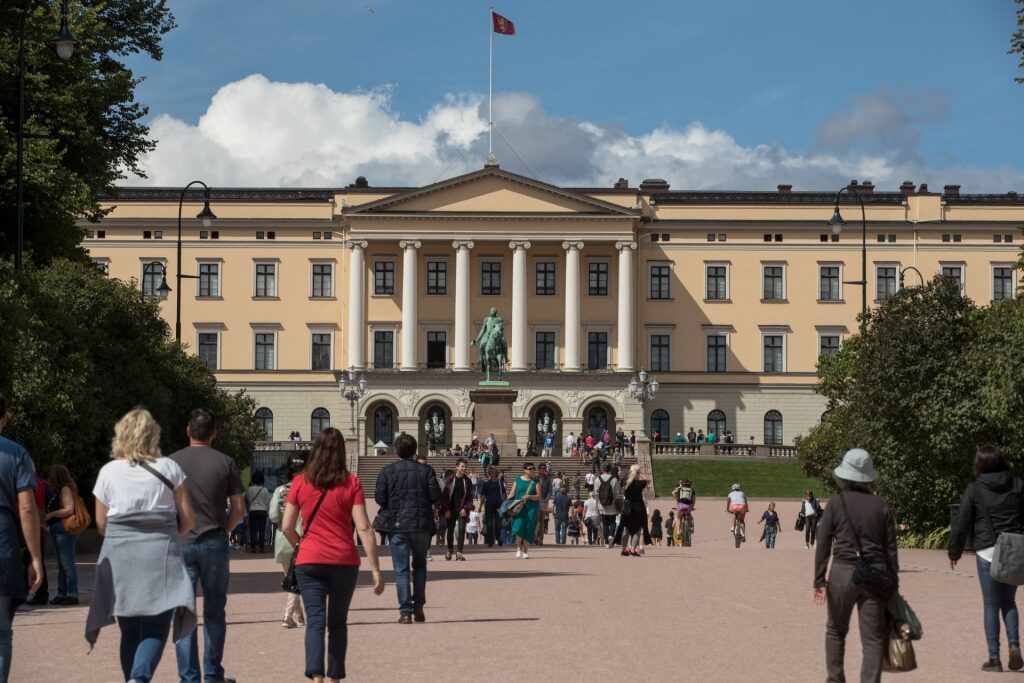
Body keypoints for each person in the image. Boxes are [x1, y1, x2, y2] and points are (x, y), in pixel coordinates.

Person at [86, 408, 197, 683]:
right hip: (159, 553)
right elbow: (189, 519)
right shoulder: (169, 468)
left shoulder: (108, 472)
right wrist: (170, 533)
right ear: (153, 435)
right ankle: (139, 677)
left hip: (121, 555)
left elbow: (101, 524)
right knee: (157, 627)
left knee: (130, 631)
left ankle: (133, 679)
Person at [281, 428, 384, 683]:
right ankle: (335, 678)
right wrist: (375, 570)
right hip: (343, 561)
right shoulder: (352, 483)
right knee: (337, 622)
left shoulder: (300, 482)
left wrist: (300, 545)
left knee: (315, 622)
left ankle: (317, 677)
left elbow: (286, 526)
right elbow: (363, 528)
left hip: (309, 560)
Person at [168, 408, 246, 683]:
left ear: (188, 431)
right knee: (214, 611)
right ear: (214, 434)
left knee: (182, 612)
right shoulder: (226, 462)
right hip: (213, 541)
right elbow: (238, 508)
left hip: (180, 542)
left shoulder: (171, 463)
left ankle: (188, 678)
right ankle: (213, 674)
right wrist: (224, 529)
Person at [813, 448, 898, 683]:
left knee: (836, 630)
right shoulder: (881, 506)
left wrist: (819, 580)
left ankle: (835, 679)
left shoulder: (835, 504)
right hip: (875, 574)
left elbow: (823, 544)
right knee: (872, 638)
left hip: (842, 571)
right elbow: (891, 549)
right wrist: (893, 583)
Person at [950, 445, 1024, 673]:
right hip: (1013, 549)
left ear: (980, 464)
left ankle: (994, 659)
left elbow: (962, 521)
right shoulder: (1018, 484)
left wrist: (955, 551)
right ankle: (1014, 645)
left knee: (991, 604)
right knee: (1009, 601)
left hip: (987, 551)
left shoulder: (975, 488)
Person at [376, 433, 441, 623]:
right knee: (420, 566)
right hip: (421, 524)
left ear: (396, 450)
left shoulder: (387, 471)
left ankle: (405, 612)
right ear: (414, 451)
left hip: (397, 525)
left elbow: (380, 498)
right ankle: (418, 606)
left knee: (401, 569)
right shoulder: (426, 470)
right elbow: (436, 496)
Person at [0, 393, 43, 682]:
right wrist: (36, 558)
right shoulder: (16, 454)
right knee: (2, 632)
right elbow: (27, 507)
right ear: (3, 419)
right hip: (2, 542)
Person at [269, 455, 308, 628]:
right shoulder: (309, 488)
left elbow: (273, 515)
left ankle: (299, 617)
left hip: (282, 537)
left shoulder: (280, 490)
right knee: (296, 580)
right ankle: (287, 616)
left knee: (291, 577)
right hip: (302, 536)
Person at [43, 465, 81, 606]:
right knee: (61, 564)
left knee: (67, 564)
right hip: (60, 529)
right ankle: (62, 593)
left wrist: (50, 514)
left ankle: (72, 594)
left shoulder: (65, 489)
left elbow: (68, 509)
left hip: (63, 529)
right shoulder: (63, 489)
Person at [440, 458, 474, 561]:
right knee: (450, 530)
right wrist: (445, 509)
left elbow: (470, 496)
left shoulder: (467, 481)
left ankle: (459, 552)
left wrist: (466, 508)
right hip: (451, 509)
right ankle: (450, 550)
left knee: (461, 529)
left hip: (462, 509)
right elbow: (445, 495)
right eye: (462, 466)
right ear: (457, 467)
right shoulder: (450, 479)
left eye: (465, 466)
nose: (464, 468)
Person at [508, 463, 541, 558]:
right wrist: (507, 504)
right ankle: (519, 548)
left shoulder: (536, 481)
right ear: (525, 470)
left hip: (531, 509)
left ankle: (525, 551)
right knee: (518, 528)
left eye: (533, 469)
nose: (532, 470)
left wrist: (529, 496)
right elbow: (512, 493)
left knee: (529, 528)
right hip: (519, 508)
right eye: (530, 469)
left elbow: (539, 496)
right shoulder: (517, 480)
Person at [619, 465, 648, 556]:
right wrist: (640, 474)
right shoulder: (639, 483)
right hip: (638, 508)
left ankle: (624, 550)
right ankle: (632, 550)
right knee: (637, 529)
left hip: (628, 508)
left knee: (626, 529)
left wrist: (631, 473)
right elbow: (647, 480)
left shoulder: (625, 483)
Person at [477, 468, 504, 547]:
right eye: (490, 472)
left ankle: (498, 537)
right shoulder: (486, 484)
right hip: (489, 505)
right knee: (489, 523)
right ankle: (490, 541)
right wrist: (480, 506)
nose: (491, 473)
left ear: (496, 473)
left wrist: (505, 504)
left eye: (493, 472)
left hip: (498, 505)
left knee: (498, 523)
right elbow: (483, 496)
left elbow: (504, 493)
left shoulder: (500, 482)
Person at [246, 471, 271, 553]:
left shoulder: (250, 489)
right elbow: (267, 502)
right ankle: (261, 547)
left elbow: (249, 500)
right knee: (262, 530)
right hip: (263, 510)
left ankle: (253, 548)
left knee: (253, 530)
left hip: (253, 510)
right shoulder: (265, 489)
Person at [595, 464, 620, 548]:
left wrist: (597, 504)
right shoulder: (614, 479)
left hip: (602, 504)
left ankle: (606, 542)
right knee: (613, 522)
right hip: (612, 504)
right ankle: (611, 536)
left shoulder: (598, 479)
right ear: (609, 469)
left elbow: (596, 493)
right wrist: (617, 505)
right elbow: (617, 493)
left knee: (605, 524)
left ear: (602, 469)